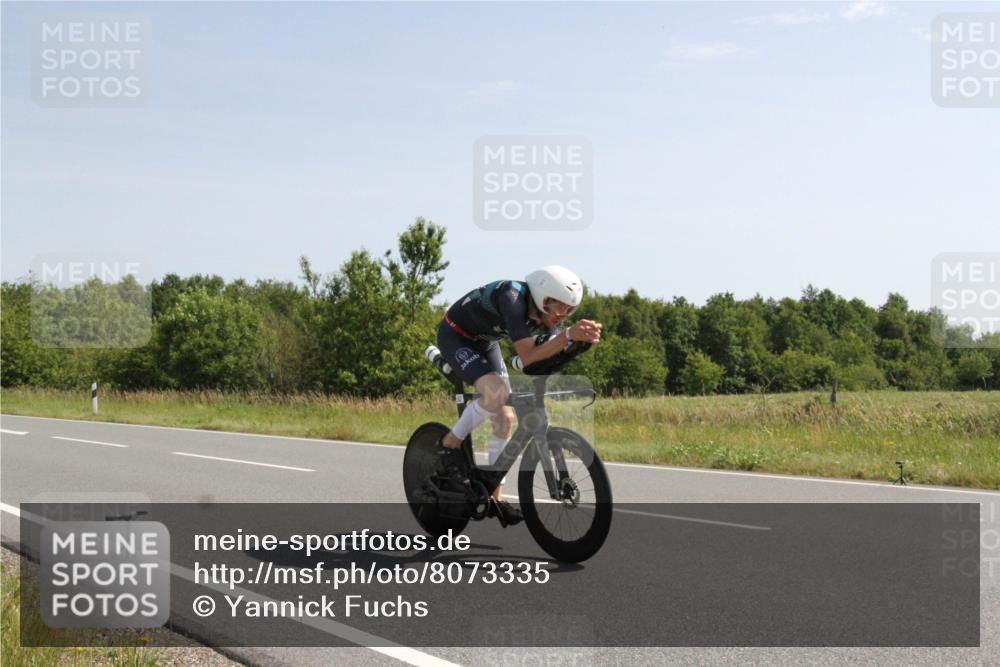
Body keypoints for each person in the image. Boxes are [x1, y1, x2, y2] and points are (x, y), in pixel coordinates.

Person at [434, 265, 603, 525]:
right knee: (497, 393)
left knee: (505, 418)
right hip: (456, 336)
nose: (562, 315)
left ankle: (494, 498)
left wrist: (576, 345)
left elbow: (541, 360)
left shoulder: (550, 317)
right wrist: (567, 336)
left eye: (569, 310)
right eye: (558, 306)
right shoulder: (511, 297)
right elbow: (528, 354)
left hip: (486, 343)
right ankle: (449, 443)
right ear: (542, 296)